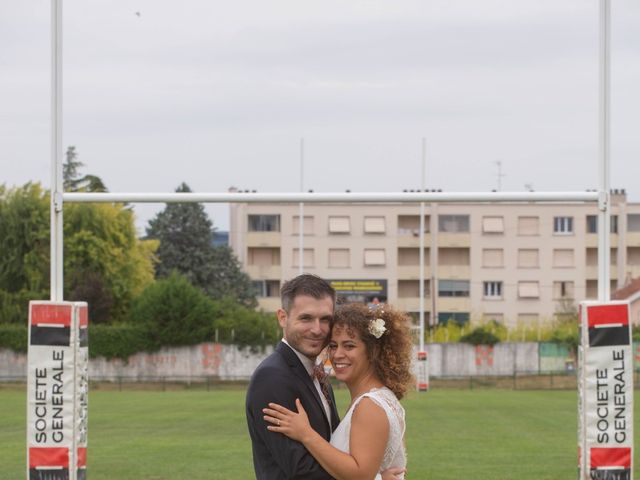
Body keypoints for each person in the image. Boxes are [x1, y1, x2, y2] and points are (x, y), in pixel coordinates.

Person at [263, 303, 414, 480]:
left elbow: (360, 475)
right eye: (333, 346)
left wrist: (306, 434)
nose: (337, 355)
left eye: (349, 346)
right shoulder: (380, 397)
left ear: (373, 352)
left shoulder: (370, 406)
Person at [246, 274, 340, 479]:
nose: (317, 329)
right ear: (283, 317)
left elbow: (335, 443)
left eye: (325, 319)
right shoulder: (271, 377)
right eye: (306, 318)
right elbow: (300, 469)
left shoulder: (318, 371)